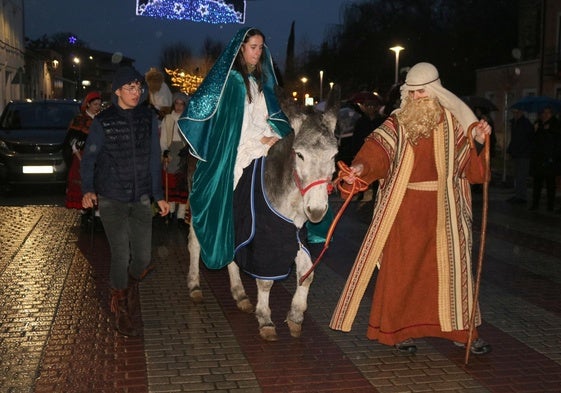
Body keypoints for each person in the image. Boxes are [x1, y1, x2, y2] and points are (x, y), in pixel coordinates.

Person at [329, 62, 493, 356]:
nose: (417, 98)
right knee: (402, 274)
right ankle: (398, 331)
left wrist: (479, 141)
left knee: (451, 276)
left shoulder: (454, 124)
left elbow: (471, 169)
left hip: (446, 213)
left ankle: (461, 331)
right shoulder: (396, 124)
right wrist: (359, 169)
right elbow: (376, 154)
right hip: (403, 213)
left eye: (422, 92)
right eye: (412, 92)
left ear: (435, 92)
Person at [177, 27, 292, 270]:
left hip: (261, 137)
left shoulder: (258, 80)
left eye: (261, 48)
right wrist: (260, 139)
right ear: (241, 48)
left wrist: (272, 134)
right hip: (240, 143)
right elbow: (236, 123)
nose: (258, 52)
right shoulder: (233, 82)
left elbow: (266, 114)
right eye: (253, 47)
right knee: (237, 178)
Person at [80, 66, 170, 336]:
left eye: (138, 87)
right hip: (112, 198)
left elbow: (155, 159)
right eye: (129, 87)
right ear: (117, 91)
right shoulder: (104, 121)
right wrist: (88, 189)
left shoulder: (147, 118)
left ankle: (126, 287)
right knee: (121, 253)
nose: (136, 92)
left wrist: (159, 196)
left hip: (141, 198)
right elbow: (90, 159)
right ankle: (121, 306)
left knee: (142, 258)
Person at [63, 91, 102, 229]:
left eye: (99, 104)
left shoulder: (101, 120)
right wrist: (80, 158)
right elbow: (72, 141)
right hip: (81, 157)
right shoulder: (79, 120)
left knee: (98, 186)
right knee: (82, 187)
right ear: (88, 105)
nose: (97, 107)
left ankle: (97, 217)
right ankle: (84, 215)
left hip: (98, 159)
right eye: (95, 104)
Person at [160, 92, 190, 225]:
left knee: (182, 182)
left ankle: (181, 214)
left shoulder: (188, 119)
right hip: (172, 150)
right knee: (171, 181)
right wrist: (165, 150)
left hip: (183, 151)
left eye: (181, 104)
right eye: (177, 103)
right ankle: (170, 210)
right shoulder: (168, 118)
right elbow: (164, 136)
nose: (179, 106)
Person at [529, 106, 561, 211]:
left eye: (548, 113)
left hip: (550, 160)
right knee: (537, 183)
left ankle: (550, 206)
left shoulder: (556, 125)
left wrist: (553, 158)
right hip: (538, 159)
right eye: (544, 113)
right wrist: (535, 130)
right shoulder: (538, 124)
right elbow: (534, 141)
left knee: (550, 184)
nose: (545, 115)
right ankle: (535, 204)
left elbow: (554, 142)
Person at [507, 109, 534, 204]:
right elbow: (514, 139)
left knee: (521, 176)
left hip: (523, 154)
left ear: (521, 112)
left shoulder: (525, 124)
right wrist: (510, 150)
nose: (515, 114)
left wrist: (523, 150)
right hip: (517, 153)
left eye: (517, 112)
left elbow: (528, 139)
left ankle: (522, 197)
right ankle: (518, 195)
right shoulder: (515, 123)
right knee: (517, 175)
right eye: (514, 112)